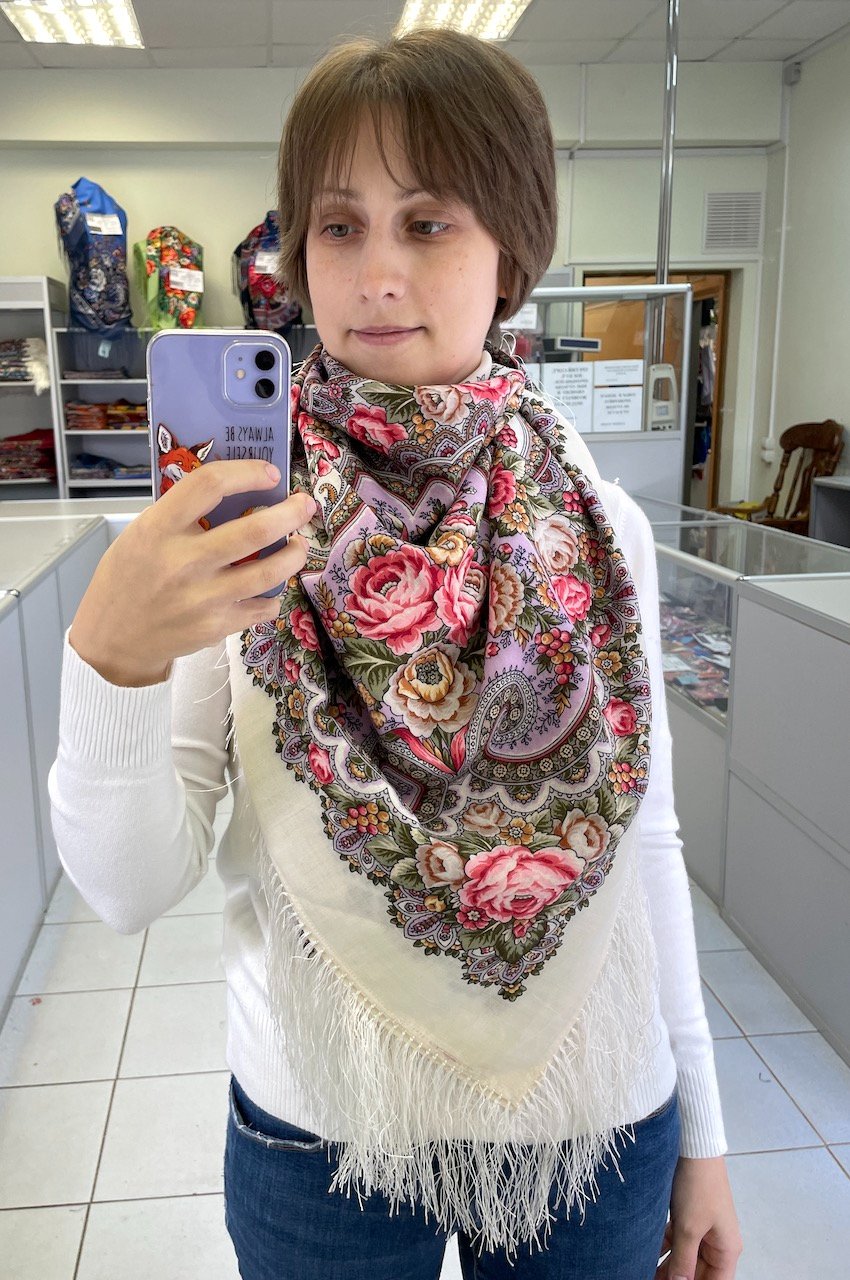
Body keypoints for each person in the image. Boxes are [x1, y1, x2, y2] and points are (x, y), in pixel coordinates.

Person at [50, 28, 743, 1280]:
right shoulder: (237, 521)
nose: (375, 274)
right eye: (338, 225)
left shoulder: (600, 523)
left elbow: (645, 840)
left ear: (509, 250)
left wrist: (706, 1132)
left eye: (427, 224)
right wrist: (109, 658)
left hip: (589, 1121)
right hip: (322, 1130)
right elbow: (130, 890)